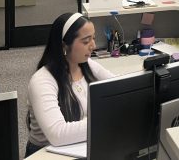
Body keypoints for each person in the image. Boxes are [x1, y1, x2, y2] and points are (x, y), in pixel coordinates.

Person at [25, 13, 115, 157]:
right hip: (47, 153)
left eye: (93, 38)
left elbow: (118, 88)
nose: (93, 46)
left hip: (79, 145)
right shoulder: (42, 81)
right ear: (64, 46)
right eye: (86, 41)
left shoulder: (86, 65)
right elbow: (58, 134)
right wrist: (105, 121)